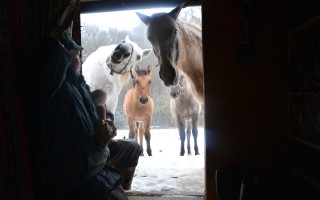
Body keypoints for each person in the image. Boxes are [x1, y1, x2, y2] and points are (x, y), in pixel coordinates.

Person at [35, 30, 141, 200]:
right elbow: (53, 51)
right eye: (77, 55)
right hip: (79, 168)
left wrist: (102, 119)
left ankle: (117, 184)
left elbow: (99, 95)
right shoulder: (55, 88)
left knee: (133, 148)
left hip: (96, 152)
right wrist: (62, 39)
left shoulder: (77, 82)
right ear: (65, 59)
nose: (82, 59)